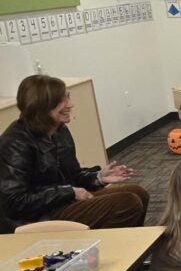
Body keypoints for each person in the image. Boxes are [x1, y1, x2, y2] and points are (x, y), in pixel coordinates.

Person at [0, 75, 148, 231]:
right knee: (126, 203)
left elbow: (73, 176)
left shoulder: (58, 130)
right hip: (38, 216)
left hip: (62, 202)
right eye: (63, 100)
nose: (70, 105)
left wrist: (98, 178)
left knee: (138, 193)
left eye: (68, 97)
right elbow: (14, 202)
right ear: (42, 105)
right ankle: (104, 249)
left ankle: (128, 249)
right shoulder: (15, 143)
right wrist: (69, 192)